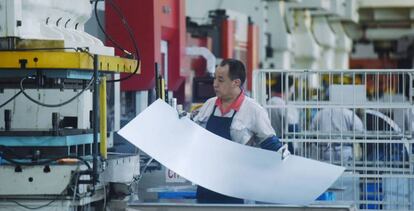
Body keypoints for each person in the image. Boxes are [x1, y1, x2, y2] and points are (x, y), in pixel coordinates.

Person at [192, 59, 288, 204]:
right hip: (207, 183)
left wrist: (288, 165)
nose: (215, 84)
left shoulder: (253, 110)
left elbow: (270, 144)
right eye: (215, 79)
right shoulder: (209, 105)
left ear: (236, 82)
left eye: (221, 80)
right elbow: (193, 132)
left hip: (238, 187)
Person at [268, 75, 300, 153]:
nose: (292, 91)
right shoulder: (280, 103)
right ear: (287, 87)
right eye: (292, 88)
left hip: (271, 143)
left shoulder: (270, 102)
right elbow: (293, 128)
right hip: (284, 144)